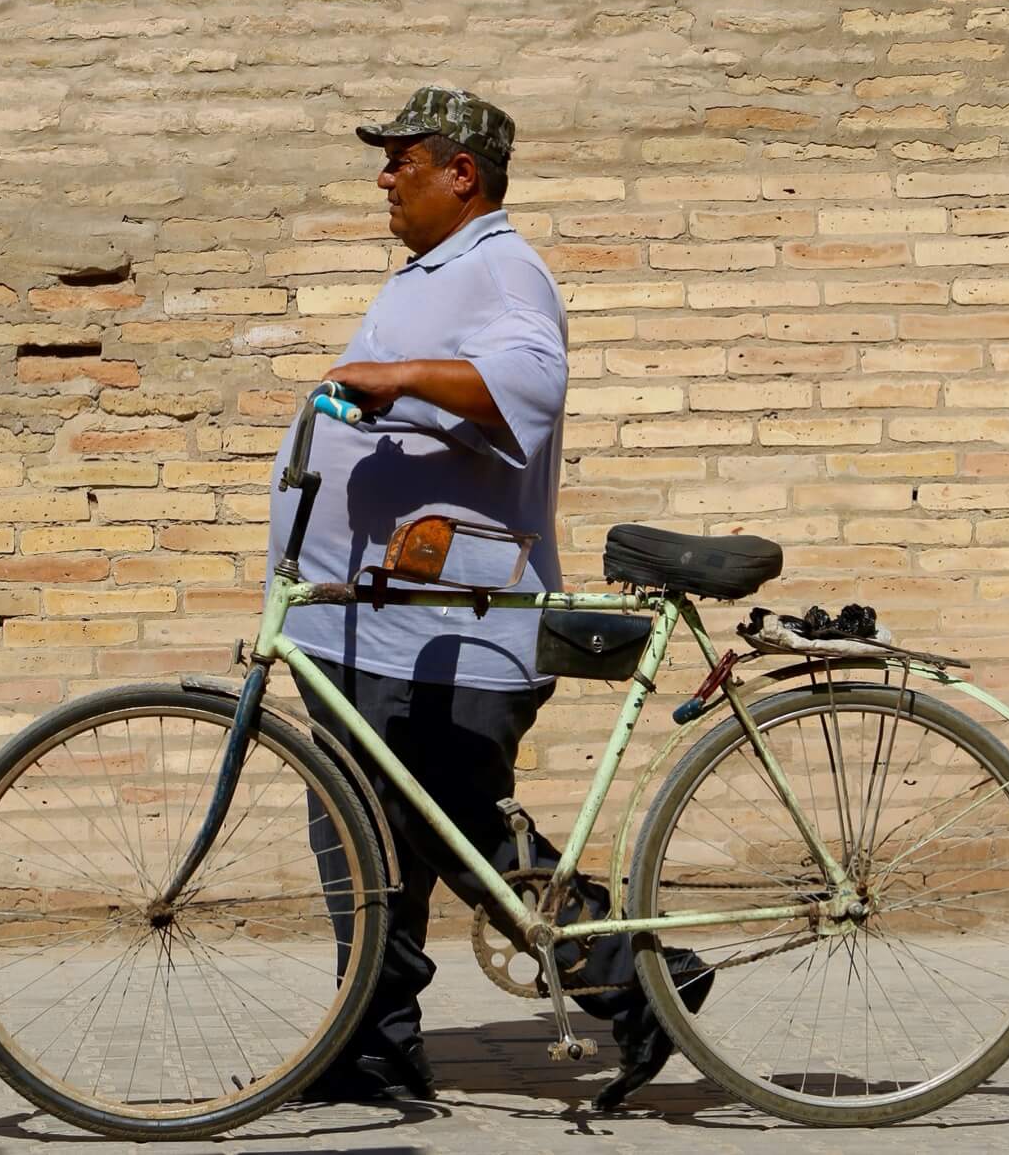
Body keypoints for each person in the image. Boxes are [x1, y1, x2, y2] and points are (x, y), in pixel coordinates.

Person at [266, 85, 709, 1112]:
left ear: (460, 172)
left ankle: (641, 979)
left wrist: (403, 376)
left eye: (401, 158)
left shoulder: (500, 267)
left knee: (453, 829)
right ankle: (371, 1049)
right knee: (362, 835)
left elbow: (531, 383)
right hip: (375, 620)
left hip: (450, 627)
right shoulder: (435, 272)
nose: (384, 175)